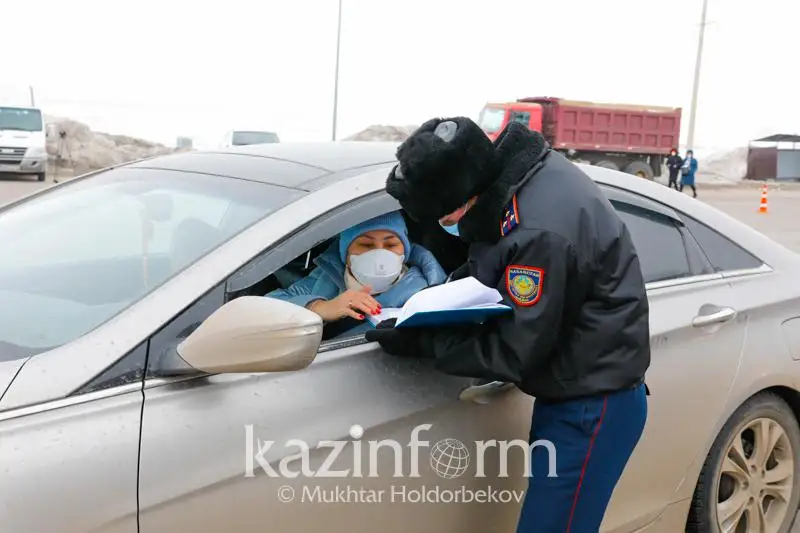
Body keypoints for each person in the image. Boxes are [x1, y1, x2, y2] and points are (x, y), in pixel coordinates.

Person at [365, 117, 650, 532]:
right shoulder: (527, 174)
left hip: (590, 408)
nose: (448, 226)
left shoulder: (537, 233)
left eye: (444, 217)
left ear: (463, 199)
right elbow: (496, 253)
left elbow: (515, 349)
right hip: (580, 386)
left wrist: (424, 340)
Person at [266, 211, 446, 338]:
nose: (379, 255)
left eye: (391, 245)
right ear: (346, 252)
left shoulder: (425, 294)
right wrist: (320, 307)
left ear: (404, 251)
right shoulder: (327, 276)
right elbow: (267, 306)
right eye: (366, 245)